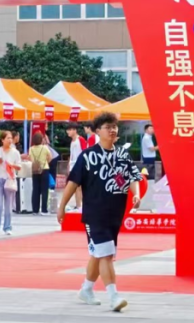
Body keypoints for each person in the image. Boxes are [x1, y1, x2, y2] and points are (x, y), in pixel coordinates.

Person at [57, 112, 141, 312]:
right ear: (97, 131)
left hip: (115, 213)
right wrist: (62, 207)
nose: (112, 130)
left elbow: (133, 177)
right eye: (107, 127)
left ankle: (86, 289)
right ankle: (114, 296)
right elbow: (72, 183)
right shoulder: (87, 156)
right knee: (107, 254)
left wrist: (136, 194)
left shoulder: (123, 155)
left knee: (99, 253)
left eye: (114, 126)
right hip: (94, 214)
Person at [0, 131, 21, 236]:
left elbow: (19, 167)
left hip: (9, 180)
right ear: (2, 140)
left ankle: (7, 227)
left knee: (8, 205)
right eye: (7, 138)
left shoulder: (15, 152)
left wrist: (12, 165)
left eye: (11, 138)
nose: (10, 140)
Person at [28, 132, 52, 216]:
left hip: (35, 170)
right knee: (44, 190)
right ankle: (44, 210)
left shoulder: (31, 149)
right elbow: (50, 157)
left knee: (35, 190)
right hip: (44, 169)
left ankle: (35, 209)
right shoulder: (45, 148)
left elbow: (30, 158)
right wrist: (45, 162)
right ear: (41, 140)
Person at [66, 125, 85, 210]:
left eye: (69, 130)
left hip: (79, 165)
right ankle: (77, 204)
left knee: (78, 187)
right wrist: (69, 165)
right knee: (74, 186)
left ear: (75, 130)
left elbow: (84, 151)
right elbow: (72, 154)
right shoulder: (72, 141)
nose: (68, 132)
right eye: (67, 130)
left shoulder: (80, 139)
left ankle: (79, 205)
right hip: (72, 165)